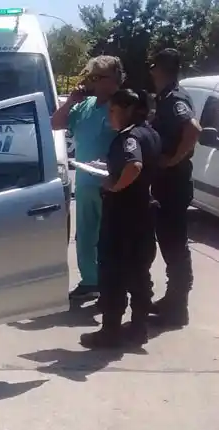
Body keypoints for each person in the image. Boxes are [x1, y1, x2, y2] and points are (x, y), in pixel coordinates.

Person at [80, 89, 161, 349]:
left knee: (113, 273)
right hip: (143, 212)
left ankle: (110, 332)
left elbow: (134, 165)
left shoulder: (130, 136)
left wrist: (114, 185)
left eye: (113, 111)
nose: (110, 116)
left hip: (122, 216)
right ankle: (139, 328)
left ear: (127, 110)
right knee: (140, 273)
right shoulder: (151, 133)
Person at [52, 55, 124, 302]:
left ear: (113, 79)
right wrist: (70, 101)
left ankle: (112, 285)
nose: (91, 82)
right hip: (85, 183)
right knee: (85, 235)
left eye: (97, 77)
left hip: (111, 184)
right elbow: (55, 123)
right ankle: (90, 281)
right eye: (90, 77)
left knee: (110, 239)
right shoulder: (85, 105)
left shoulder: (120, 106)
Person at [148, 48, 202, 327]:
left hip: (174, 183)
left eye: (153, 66)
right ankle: (172, 299)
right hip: (167, 184)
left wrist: (173, 159)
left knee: (175, 245)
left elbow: (193, 129)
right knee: (170, 244)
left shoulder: (175, 98)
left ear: (161, 68)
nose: (151, 71)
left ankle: (178, 307)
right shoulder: (165, 97)